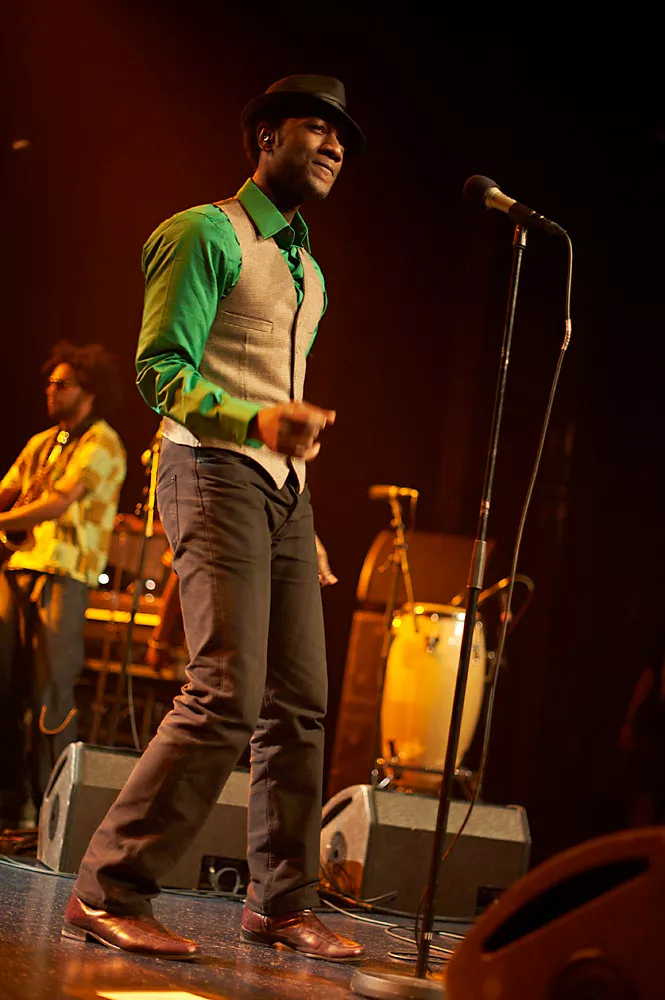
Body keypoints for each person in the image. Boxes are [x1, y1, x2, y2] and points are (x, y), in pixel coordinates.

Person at [63, 75, 365, 963]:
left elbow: (283, 395)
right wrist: (254, 424)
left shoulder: (309, 270)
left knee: (299, 704)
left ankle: (282, 903)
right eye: (316, 128)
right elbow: (160, 370)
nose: (335, 146)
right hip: (207, 467)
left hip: (281, 492)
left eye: (342, 138)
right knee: (226, 689)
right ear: (265, 136)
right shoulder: (205, 232)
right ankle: (108, 889)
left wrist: (300, 507)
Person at [0, 341, 126, 825]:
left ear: (88, 390)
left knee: (51, 693)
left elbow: (58, 502)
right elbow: (10, 489)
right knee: (7, 686)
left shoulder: (102, 443)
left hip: (65, 574)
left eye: (62, 383)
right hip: (20, 569)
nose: (50, 390)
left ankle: (52, 816)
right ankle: (11, 802)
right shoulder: (41, 443)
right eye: (50, 382)